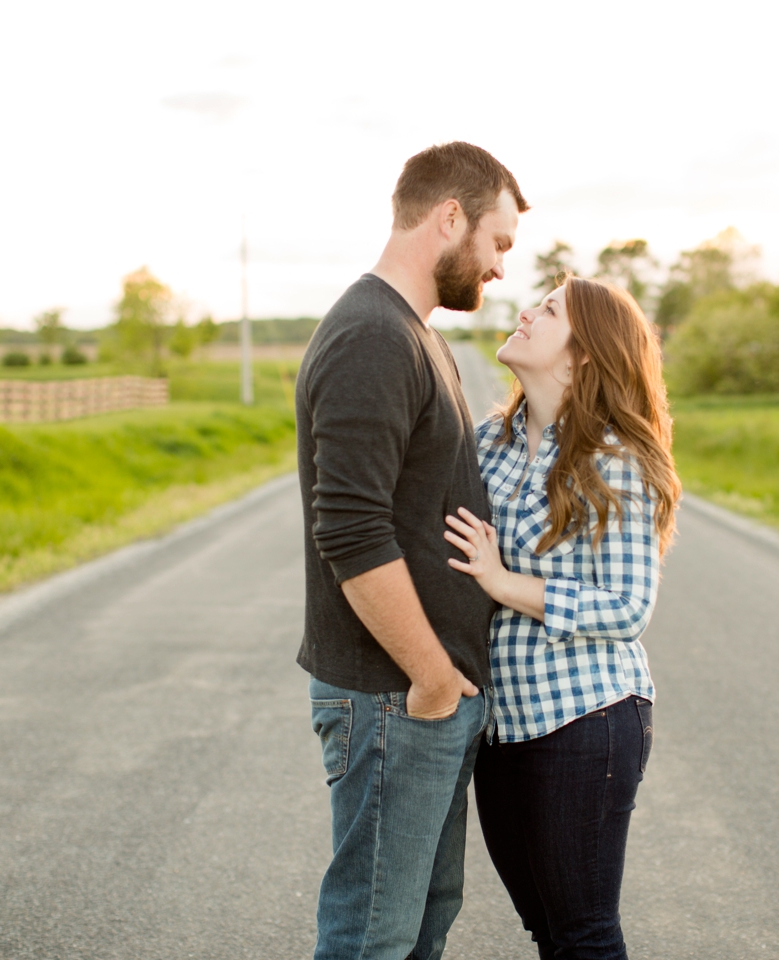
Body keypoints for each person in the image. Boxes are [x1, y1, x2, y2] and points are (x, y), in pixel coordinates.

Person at [295, 142, 527, 960]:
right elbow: (351, 531)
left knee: (422, 922)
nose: (501, 267)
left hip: (426, 697)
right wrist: (430, 677)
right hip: (394, 694)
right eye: (499, 242)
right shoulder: (371, 337)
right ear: (449, 216)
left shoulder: (415, 335)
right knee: (373, 938)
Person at [443, 276, 681, 960]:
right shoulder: (490, 443)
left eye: (549, 311)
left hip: (587, 720)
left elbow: (629, 607)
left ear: (582, 355)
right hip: (502, 725)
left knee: (583, 933)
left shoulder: (615, 461)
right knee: (547, 930)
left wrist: (502, 582)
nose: (526, 312)